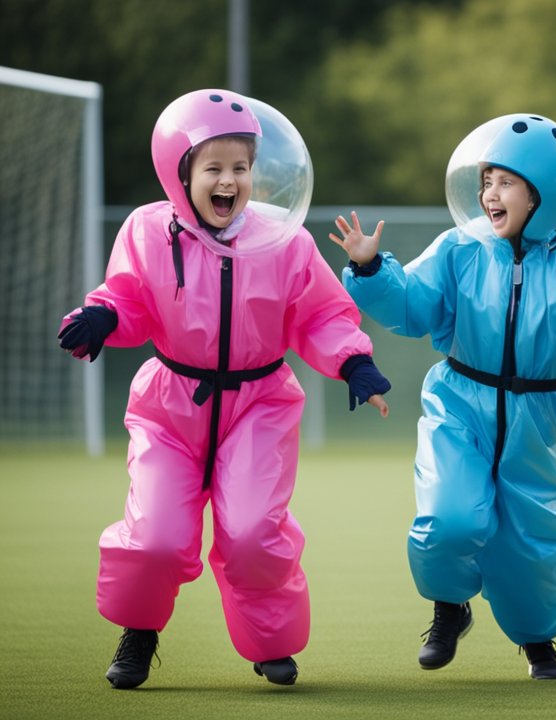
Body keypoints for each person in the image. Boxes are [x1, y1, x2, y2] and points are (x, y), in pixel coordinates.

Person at [57, 89, 391, 690]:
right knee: (156, 534)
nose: (229, 181)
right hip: (168, 405)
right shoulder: (146, 229)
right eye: (213, 167)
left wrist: (354, 363)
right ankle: (139, 632)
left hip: (260, 403)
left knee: (255, 533)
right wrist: (103, 317)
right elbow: (128, 297)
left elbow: (319, 314)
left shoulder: (283, 237)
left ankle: (272, 645)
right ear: (179, 171)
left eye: (241, 167)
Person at [330, 113, 556, 681]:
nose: (489, 194)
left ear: (543, 195)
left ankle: (537, 642)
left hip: (534, 418)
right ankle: (449, 606)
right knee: (450, 519)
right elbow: (413, 307)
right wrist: (371, 268)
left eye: (504, 182)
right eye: (486, 181)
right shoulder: (461, 246)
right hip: (458, 404)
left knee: (530, 543)